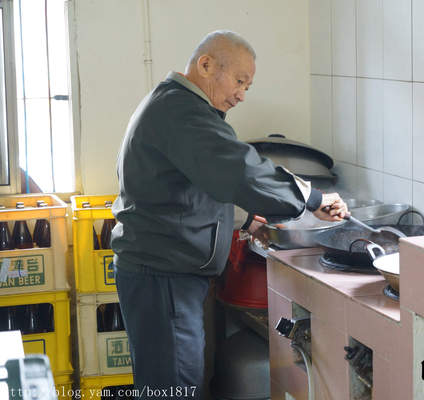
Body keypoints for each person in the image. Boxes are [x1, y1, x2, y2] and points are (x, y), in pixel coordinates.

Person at [111, 30, 348, 399]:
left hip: (161, 273)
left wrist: (246, 221)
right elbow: (238, 170)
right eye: (239, 81)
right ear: (206, 65)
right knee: (174, 387)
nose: (241, 94)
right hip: (164, 277)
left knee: (169, 382)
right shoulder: (181, 112)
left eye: (247, 87)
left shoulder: (175, 105)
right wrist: (311, 197)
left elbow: (195, 186)